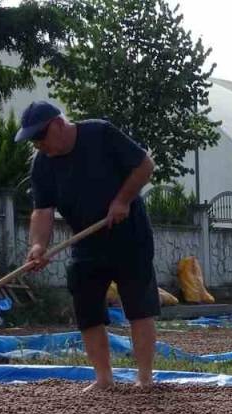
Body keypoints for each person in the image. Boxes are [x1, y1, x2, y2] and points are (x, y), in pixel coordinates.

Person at [17, 100, 159, 392]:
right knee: (86, 307)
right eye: (33, 140)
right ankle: (104, 379)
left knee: (138, 306)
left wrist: (122, 200)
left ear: (57, 125)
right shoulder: (42, 164)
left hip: (129, 235)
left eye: (39, 137)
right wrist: (37, 246)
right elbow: (43, 210)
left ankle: (144, 378)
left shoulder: (100, 134)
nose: (38, 145)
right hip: (86, 239)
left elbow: (145, 165)